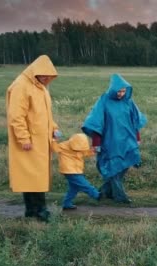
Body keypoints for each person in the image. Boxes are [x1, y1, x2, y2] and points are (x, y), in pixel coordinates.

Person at [6, 55, 61, 222]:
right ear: (35, 71)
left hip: (40, 142)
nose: (46, 79)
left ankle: (33, 211)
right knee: (31, 177)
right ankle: (39, 211)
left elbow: (44, 115)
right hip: (29, 144)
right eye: (43, 75)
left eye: (48, 76)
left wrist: (54, 128)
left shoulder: (40, 87)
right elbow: (16, 116)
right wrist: (24, 139)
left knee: (34, 177)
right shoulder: (21, 86)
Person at [82, 73, 147, 203]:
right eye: (119, 91)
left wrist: (137, 138)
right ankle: (120, 197)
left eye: (123, 91)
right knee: (113, 169)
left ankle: (104, 192)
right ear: (112, 89)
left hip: (127, 140)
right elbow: (96, 123)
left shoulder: (129, 102)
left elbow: (135, 121)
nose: (121, 94)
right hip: (110, 142)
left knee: (125, 166)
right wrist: (96, 143)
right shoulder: (104, 101)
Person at [51, 133, 101, 210]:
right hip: (69, 171)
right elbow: (54, 148)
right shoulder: (63, 146)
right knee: (84, 184)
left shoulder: (81, 147)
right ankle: (97, 195)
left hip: (77, 170)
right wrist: (54, 139)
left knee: (74, 188)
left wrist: (93, 151)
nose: (78, 150)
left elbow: (85, 153)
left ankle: (66, 204)